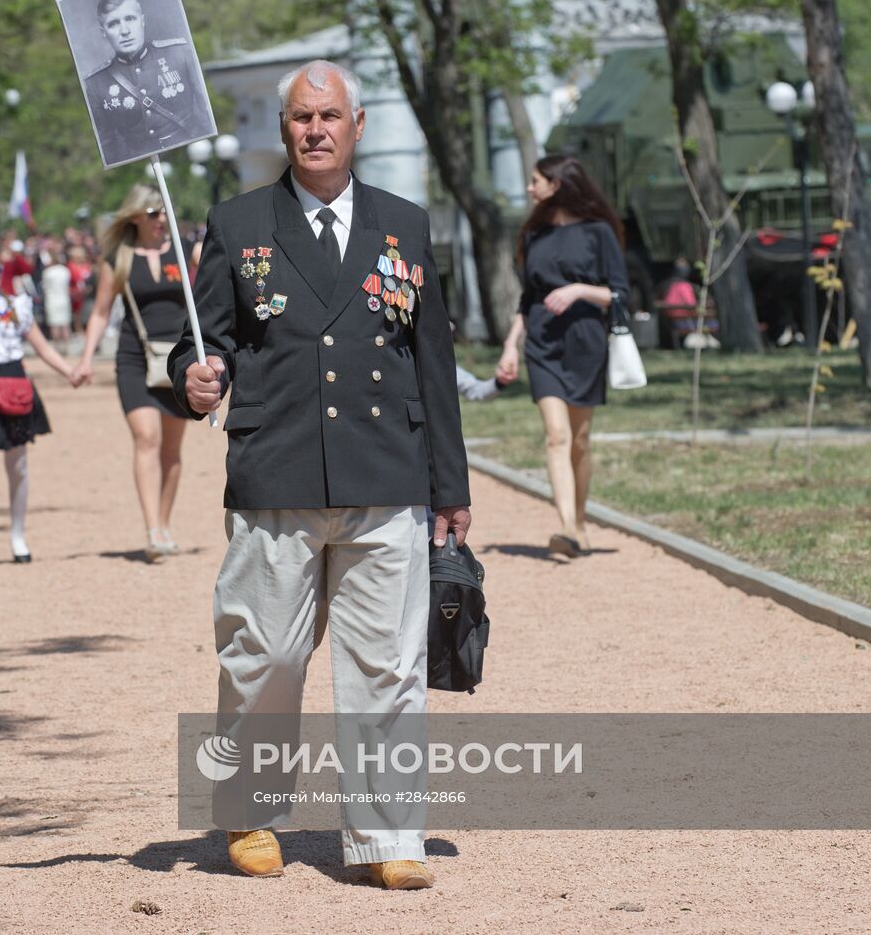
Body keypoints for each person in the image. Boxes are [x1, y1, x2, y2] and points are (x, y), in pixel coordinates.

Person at [171, 60, 471, 889]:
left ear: (358, 125)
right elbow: (207, 342)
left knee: (387, 665)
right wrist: (193, 377)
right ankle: (250, 813)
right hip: (277, 471)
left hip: (388, 472)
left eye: (330, 116)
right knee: (263, 655)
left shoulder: (405, 224)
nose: (316, 130)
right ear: (283, 128)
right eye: (301, 117)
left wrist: (452, 487)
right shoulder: (237, 223)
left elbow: (433, 360)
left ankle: (388, 836)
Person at [495, 154, 629, 557]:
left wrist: (578, 290)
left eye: (536, 181)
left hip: (585, 342)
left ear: (557, 184)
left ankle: (581, 519)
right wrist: (510, 344)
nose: (529, 188)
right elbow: (528, 298)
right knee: (556, 436)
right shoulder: (533, 235)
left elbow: (620, 294)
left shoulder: (598, 232)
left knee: (580, 440)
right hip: (542, 345)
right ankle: (567, 527)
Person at [73, 185, 192, 558]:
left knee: (171, 449)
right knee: (147, 437)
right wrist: (86, 357)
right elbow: (101, 312)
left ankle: (165, 522)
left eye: (164, 212)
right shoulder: (118, 258)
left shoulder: (187, 252)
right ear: (135, 216)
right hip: (134, 358)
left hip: (179, 358)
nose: (161, 220)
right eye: (153, 213)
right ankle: (152, 528)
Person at [0, 242, 81, 571]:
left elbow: (42, 347)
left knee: (17, 465)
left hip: (15, 382)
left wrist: (70, 372)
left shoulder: (17, 307)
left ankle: (18, 535)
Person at [81, 0, 212, 166]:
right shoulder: (96, 84)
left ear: (142, 21)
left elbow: (205, 112)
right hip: (141, 165)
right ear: (104, 32)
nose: (125, 30)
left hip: (190, 155)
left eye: (130, 19)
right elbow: (108, 145)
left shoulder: (179, 54)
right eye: (113, 24)